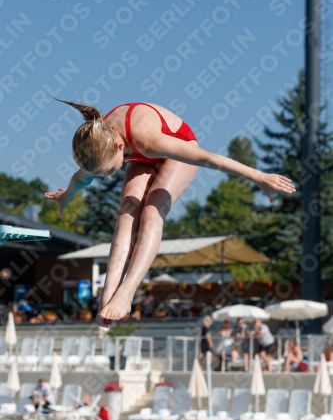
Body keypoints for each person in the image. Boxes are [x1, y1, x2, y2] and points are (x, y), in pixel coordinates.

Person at [44, 100, 295, 325]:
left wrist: (259, 176)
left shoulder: (147, 140)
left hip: (180, 147)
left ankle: (128, 290)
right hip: (143, 158)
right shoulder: (97, 142)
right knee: (127, 213)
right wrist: (66, 196)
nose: (108, 176)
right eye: (102, 174)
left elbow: (208, 158)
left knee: (152, 211)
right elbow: (82, 179)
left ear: (120, 145)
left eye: (109, 171)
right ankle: (108, 297)